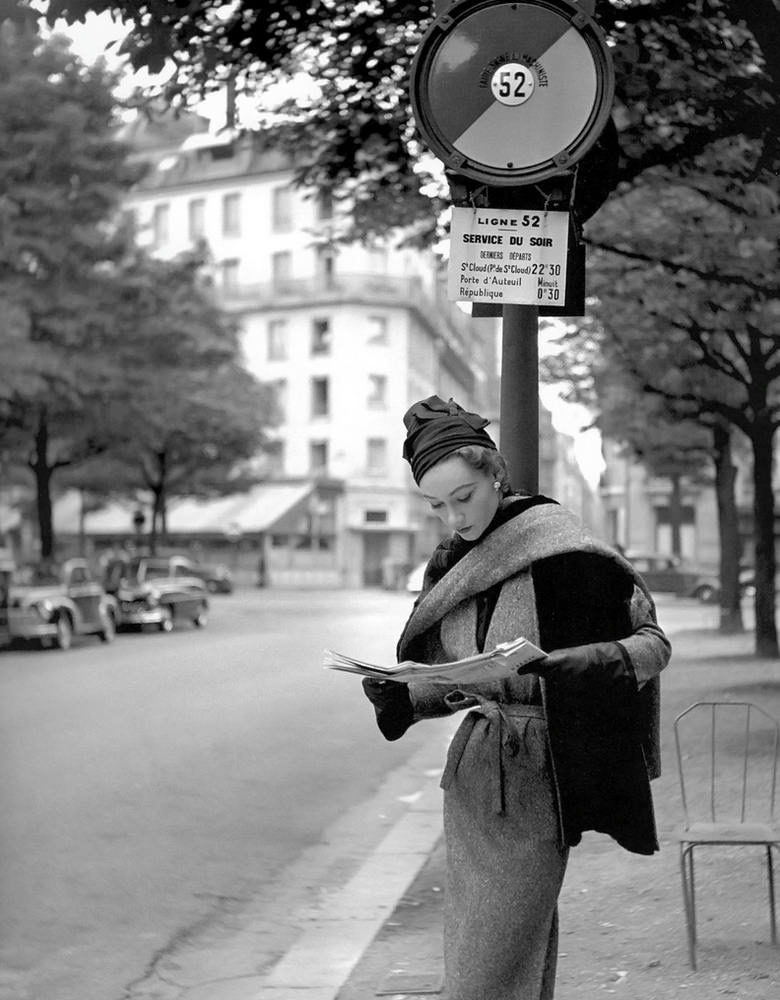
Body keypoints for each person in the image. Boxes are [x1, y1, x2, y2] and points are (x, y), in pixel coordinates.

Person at [361, 395, 671, 1000]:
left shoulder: (561, 550)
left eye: (464, 497)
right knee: (494, 953)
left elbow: (653, 645)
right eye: (436, 505)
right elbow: (457, 674)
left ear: (496, 476)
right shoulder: (453, 562)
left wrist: (583, 664)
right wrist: (404, 694)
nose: (453, 517)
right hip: (475, 778)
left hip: (541, 778)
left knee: (490, 964)